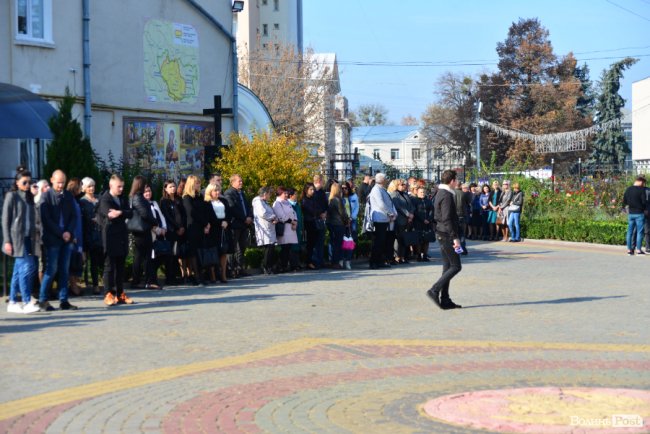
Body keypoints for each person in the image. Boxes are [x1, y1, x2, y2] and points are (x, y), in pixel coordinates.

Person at [38, 170, 78, 311]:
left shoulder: (68, 196)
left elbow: (74, 216)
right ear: (52, 180)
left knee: (64, 270)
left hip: (66, 239)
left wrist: (69, 232)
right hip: (53, 239)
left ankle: (64, 300)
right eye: (58, 182)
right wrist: (61, 233)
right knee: (51, 269)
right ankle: (43, 299)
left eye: (63, 182)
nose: (61, 185)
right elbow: (46, 219)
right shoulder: (46, 196)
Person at [2, 167, 40, 313]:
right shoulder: (12, 196)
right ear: (17, 183)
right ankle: (25, 301)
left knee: (19, 271)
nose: (27, 185)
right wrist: (7, 240)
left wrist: (35, 196)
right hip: (16, 238)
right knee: (27, 268)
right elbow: (5, 220)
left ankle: (12, 301)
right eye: (24, 182)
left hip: (28, 237)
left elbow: (33, 216)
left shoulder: (29, 197)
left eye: (29, 183)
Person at [427, 170, 463, 310]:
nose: (458, 182)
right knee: (456, 266)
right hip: (446, 234)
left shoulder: (441, 193)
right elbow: (446, 218)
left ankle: (445, 299)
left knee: (447, 267)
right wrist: (455, 237)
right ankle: (434, 290)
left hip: (442, 232)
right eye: (457, 179)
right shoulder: (446, 195)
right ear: (452, 180)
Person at [98, 174, 135, 306]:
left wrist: (120, 212)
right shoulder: (105, 199)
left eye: (122, 187)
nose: (121, 189)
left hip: (122, 236)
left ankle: (120, 294)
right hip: (110, 236)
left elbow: (130, 213)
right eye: (119, 186)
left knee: (120, 267)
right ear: (111, 185)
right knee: (109, 267)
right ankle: (108, 294)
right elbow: (109, 215)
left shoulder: (123, 198)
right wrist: (120, 213)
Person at [129, 176, 159, 289]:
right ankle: (146, 281)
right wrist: (154, 221)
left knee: (141, 256)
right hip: (142, 230)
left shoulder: (135, 197)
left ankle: (140, 280)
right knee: (144, 256)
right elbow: (145, 214)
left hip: (142, 229)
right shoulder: (137, 197)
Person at [223, 174, 253, 278]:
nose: (241, 182)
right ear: (232, 182)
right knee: (233, 248)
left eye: (241, 181)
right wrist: (244, 218)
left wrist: (249, 216)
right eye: (239, 181)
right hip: (235, 224)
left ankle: (240, 268)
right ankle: (231, 270)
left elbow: (248, 206)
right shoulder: (229, 193)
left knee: (242, 248)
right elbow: (232, 208)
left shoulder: (242, 193)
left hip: (244, 225)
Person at [182, 175, 209, 284]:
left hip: (201, 227)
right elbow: (191, 212)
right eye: (197, 183)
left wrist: (206, 224)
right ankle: (197, 276)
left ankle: (201, 275)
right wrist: (204, 223)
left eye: (199, 183)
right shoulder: (187, 197)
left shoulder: (199, 196)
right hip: (192, 227)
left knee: (200, 251)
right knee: (194, 253)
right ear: (191, 184)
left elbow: (204, 211)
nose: (199, 185)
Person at [79, 177, 103, 295]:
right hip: (89, 233)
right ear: (84, 188)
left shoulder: (99, 198)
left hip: (101, 232)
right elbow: (83, 219)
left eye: (93, 185)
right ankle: (95, 285)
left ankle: (105, 281)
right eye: (89, 186)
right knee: (92, 260)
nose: (92, 188)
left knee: (102, 259)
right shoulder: (82, 201)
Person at [160, 180, 186, 285]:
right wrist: (177, 227)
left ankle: (176, 276)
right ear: (165, 188)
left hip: (181, 230)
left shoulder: (178, 199)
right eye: (170, 187)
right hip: (171, 231)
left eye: (174, 186)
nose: (173, 188)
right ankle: (169, 277)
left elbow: (183, 214)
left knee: (177, 254)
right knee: (170, 254)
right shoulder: (164, 201)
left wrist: (182, 226)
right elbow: (167, 216)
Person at [367, 173, 396, 269]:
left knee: (382, 241)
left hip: (384, 219)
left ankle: (380, 260)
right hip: (379, 218)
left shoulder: (381, 189)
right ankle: (374, 262)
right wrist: (390, 213)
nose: (387, 180)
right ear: (382, 180)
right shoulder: (376, 189)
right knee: (378, 242)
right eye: (385, 178)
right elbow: (381, 204)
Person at [204, 183, 231, 283]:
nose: (217, 192)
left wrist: (226, 221)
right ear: (210, 192)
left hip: (224, 229)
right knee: (213, 252)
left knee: (223, 252)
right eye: (215, 190)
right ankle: (213, 275)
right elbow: (209, 216)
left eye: (218, 190)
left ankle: (223, 275)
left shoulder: (223, 201)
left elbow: (228, 212)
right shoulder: (207, 202)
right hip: (213, 230)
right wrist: (219, 222)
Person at [145, 184, 169, 288]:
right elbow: (147, 219)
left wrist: (164, 227)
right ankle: (151, 280)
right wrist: (157, 229)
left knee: (162, 254)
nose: (148, 193)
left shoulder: (154, 203)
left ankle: (153, 278)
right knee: (151, 257)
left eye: (149, 191)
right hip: (151, 233)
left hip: (160, 233)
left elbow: (161, 216)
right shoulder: (143, 204)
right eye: (145, 191)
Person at [252, 186, 278, 274]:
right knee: (268, 248)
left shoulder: (265, 202)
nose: (270, 196)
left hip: (269, 228)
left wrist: (274, 217)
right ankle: (266, 267)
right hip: (264, 229)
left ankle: (269, 266)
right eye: (269, 194)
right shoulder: (258, 201)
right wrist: (273, 217)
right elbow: (263, 213)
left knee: (271, 248)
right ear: (265, 194)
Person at [273, 186, 299, 272]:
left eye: (287, 193)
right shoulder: (277, 203)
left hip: (291, 228)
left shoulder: (287, 202)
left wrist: (295, 221)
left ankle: (285, 265)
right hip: (285, 228)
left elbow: (294, 213)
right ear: (280, 193)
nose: (287, 195)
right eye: (285, 193)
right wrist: (292, 222)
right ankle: (281, 265)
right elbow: (281, 216)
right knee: (284, 248)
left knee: (289, 248)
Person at [388, 179, 414, 263]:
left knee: (404, 239)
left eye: (405, 184)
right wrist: (407, 214)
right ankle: (397, 256)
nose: (404, 186)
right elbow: (398, 207)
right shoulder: (394, 195)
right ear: (397, 185)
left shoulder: (405, 194)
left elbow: (411, 205)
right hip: (399, 220)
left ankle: (403, 256)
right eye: (402, 184)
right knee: (398, 239)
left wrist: (411, 214)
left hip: (408, 220)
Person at [66, 178, 84, 296]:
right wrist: (72, 235)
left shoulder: (74, 200)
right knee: (72, 262)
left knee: (77, 261)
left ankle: (74, 284)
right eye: (80, 186)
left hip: (78, 232)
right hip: (73, 234)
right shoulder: (69, 200)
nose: (82, 189)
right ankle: (72, 286)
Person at [326, 182, 349, 270]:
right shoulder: (337, 200)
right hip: (339, 224)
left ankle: (334, 262)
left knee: (334, 243)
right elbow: (342, 212)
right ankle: (335, 262)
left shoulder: (331, 199)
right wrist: (347, 220)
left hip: (332, 223)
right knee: (338, 244)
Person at [623, 176, 647, 256]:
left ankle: (629, 250)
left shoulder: (628, 189)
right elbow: (644, 202)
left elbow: (625, 201)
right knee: (639, 232)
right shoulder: (641, 190)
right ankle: (638, 250)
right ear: (640, 181)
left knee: (629, 232)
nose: (643, 185)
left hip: (631, 214)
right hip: (639, 213)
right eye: (643, 183)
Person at [301, 183, 321, 270]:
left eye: (313, 189)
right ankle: (308, 262)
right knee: (310, 244)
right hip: (308, 223)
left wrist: (318, 212)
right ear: (306, 191)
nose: (313, 191)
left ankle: (313, 261)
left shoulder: (314, 199)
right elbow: (312, 211)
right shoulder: (304, 200)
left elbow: (319, 209)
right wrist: (317, 212)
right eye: (311, 190)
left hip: (314, 222)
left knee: (314, 243)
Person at [412, 186, 434, 261]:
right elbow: (415, 212)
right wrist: (423, 219)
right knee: (419, 239)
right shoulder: (414, 200)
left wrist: (428, 219)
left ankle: (425, 255)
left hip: (428, 223)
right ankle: (418, 255)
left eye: (423, 192)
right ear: (417, 193)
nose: (422, 193)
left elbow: (431, 210)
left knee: (426, 239)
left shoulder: (428, 201)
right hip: (418, 222)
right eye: (421, 192)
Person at [311, 174, 329, 267]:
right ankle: (315, 261)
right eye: (323, 181)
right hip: (315, 219)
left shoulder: (322, 192)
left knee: (321, 241)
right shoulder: (312, 191)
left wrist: (325, 212)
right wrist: (320, 213)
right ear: (319, 181)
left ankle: (320, 261)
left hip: (322, 219)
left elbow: (325, 204)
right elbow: (311, 205)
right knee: (315, 241)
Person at [341, 181, 359, 270]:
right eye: (342, 188)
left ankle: (348, 260)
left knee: (351, 241)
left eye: (346, 188)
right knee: (342, 241)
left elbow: (356, 208)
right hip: (342, 222)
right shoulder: (339, 198)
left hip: (351, 221)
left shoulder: (353, 197)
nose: (344, 190)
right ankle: (342, 259)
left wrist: (351, 218)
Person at [288, 188, 304, 270]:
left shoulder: (297, 205)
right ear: (290, 196)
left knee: (298, 246)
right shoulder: (288, 204)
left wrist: (302, 228)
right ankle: (293, 265)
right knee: (292, 247)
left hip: (298, 228)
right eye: (295, 194)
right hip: (291, 228)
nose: (297, 196)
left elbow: (300, 217)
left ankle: (297, 263)